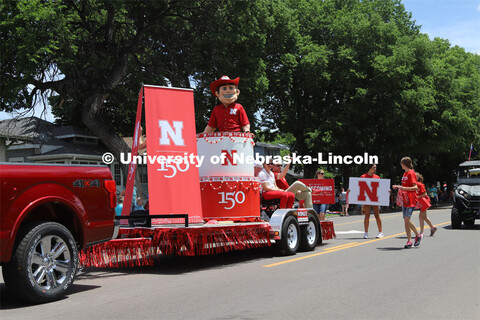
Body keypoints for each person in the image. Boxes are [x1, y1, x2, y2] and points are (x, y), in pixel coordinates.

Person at [393, 157, 422, 248]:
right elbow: (404, 186)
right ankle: (409, 241)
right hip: (405, 199)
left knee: (407, 219)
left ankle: (417, 235)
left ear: (404, 164)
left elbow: (415, 187)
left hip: (411, 200)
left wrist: (404, 188)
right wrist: (398, 186)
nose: (401, 165)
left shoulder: (411, 173)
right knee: (406, 221)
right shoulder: (405, 173)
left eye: (401, 163)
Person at [360, 164, 383, 239]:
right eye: (374, 167)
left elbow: (380, 188)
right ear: (369, 168)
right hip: (367, 198)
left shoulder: (377, 177)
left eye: (375, 167)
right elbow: (359, 187)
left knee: (377, 215)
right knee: (367, 215)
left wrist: (386, 191)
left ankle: (380, 232)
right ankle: (366, 232)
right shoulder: (363, 176)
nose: (375, 169)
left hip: (375, 198)